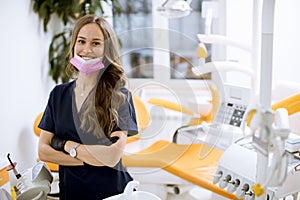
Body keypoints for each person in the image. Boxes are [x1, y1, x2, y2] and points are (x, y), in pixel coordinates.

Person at [38, 14, 138, 200]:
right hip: (71, 192)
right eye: (81, 41)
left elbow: (111, 158)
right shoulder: (58, 94)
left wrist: (65, 145)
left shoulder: (119, 97)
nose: (86, 49)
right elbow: (43, 150)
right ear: (74, 45)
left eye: (96, 43)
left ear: (106, 50)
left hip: (112, 193)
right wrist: (93, 158)